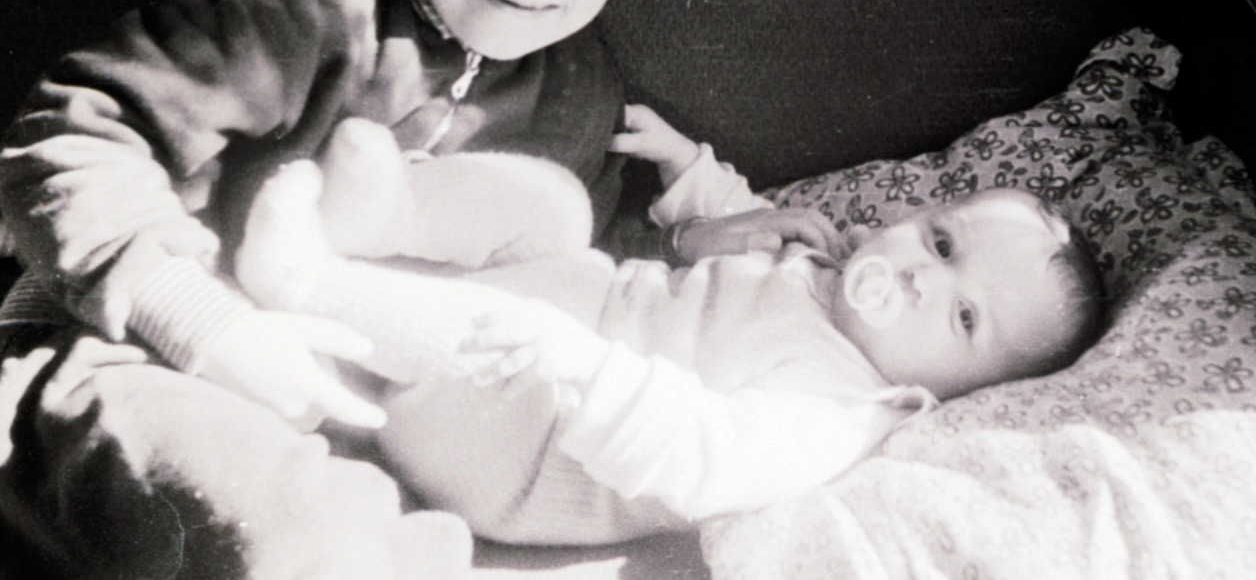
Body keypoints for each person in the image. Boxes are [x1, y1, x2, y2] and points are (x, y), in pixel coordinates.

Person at [0, 0, 705, 577]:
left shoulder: (581, 87)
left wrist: (707, 233)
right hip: (133, 351)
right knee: (303, 535)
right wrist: (203, 323)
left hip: (363, 421)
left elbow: (566, 274)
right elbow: (67, 138)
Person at [230, 107, 1111, 546]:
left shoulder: (840, 406)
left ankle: (306, 282)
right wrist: (689, 172)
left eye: (962, 315)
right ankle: (377, 219)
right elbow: (744, 221)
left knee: (493, 328)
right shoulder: (832, 262)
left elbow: (703, 451)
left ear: (947, 392)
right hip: (572, 300)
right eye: (942, 239)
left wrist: (578, 364)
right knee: (554, 204)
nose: (920, 275)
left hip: (529, 447)